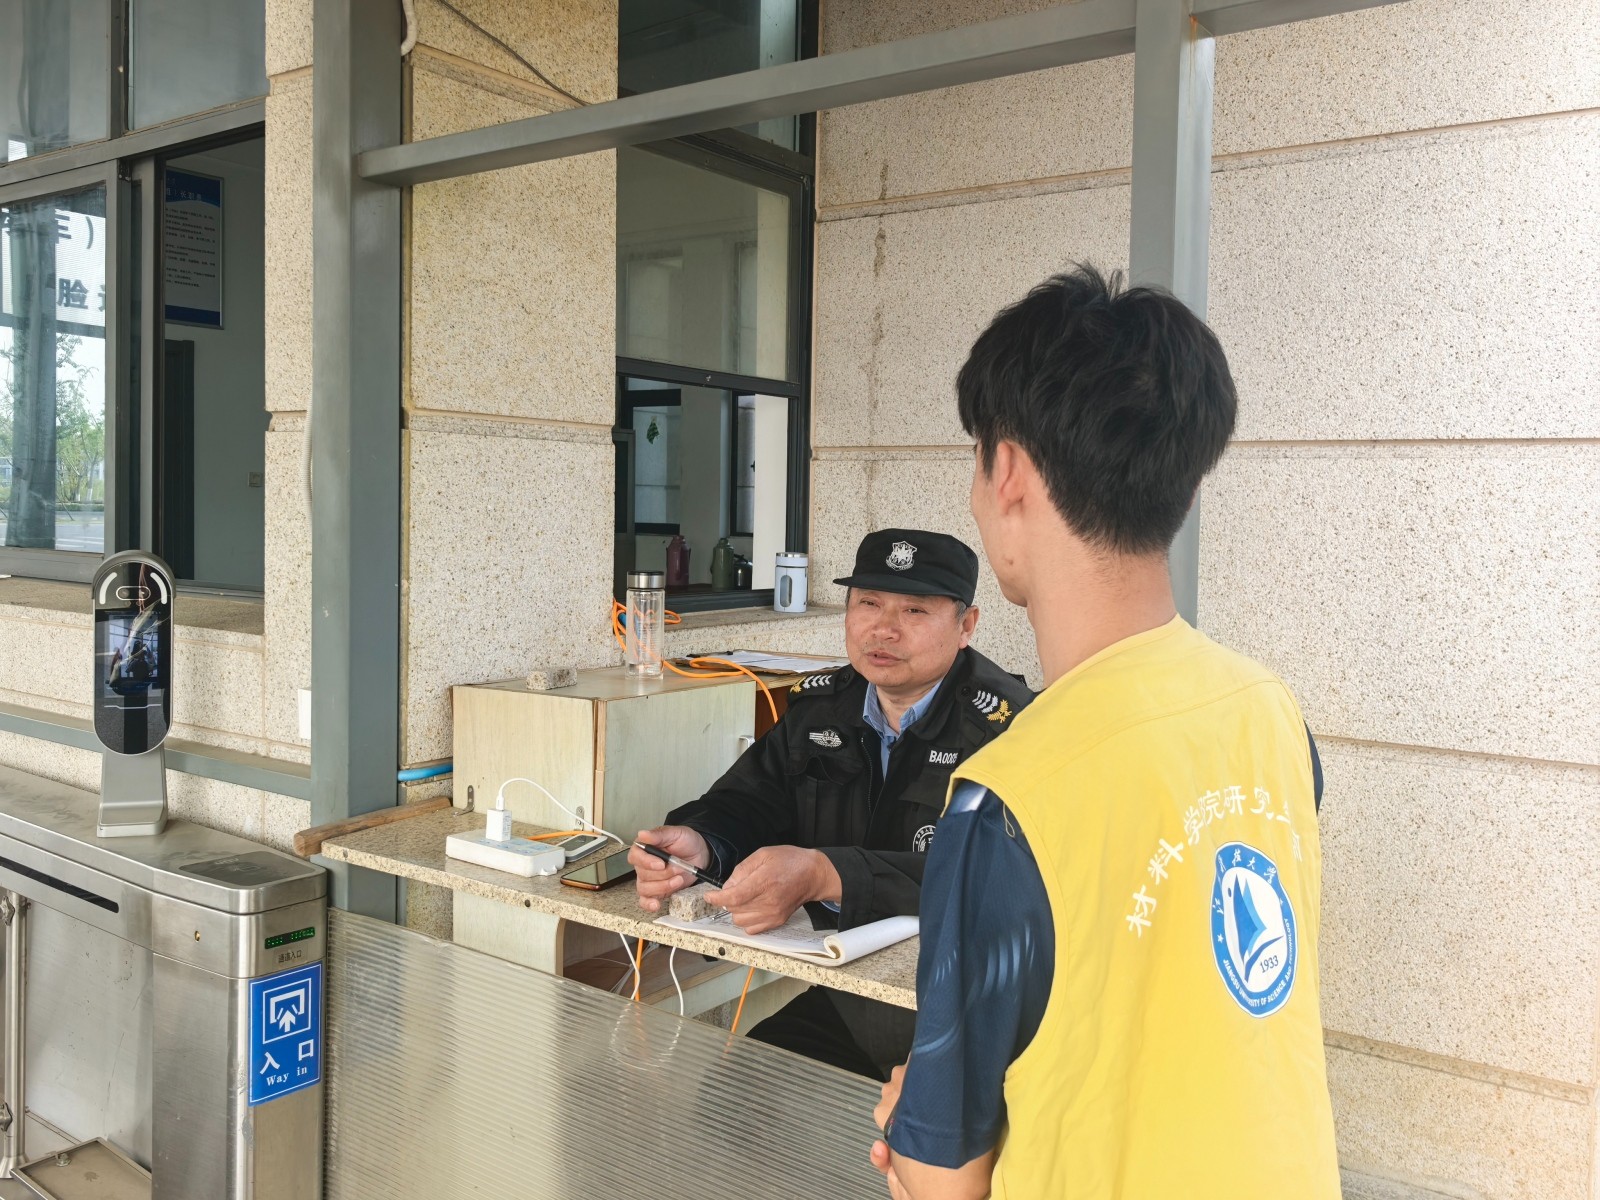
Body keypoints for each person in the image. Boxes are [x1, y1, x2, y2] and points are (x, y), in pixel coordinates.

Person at [872, 266, 1339, 1200]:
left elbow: (944, 1179)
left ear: (1007, 470)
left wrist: (902, 1129)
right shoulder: (1272, 715)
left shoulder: (1008, 801)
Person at [628, 528, 1032, 1081]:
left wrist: (828, 874)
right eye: (868, 603)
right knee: (736, 1099)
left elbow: (1001, 878)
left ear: (966, 626)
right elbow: (749, 799)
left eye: (915, 610)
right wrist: (702, 841)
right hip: (853, 1002)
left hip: (973, 1016)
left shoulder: (1009, 730)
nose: (883, 629)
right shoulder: (825, 706)